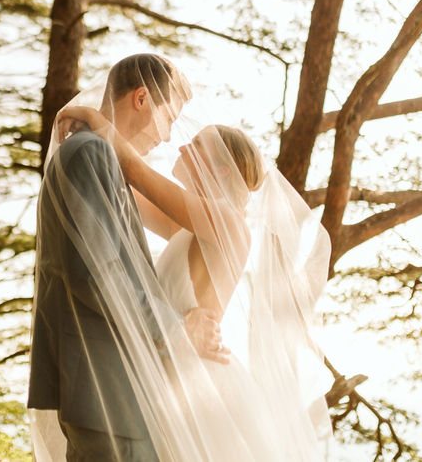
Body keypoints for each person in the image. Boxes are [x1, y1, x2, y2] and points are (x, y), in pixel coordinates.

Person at [53, 104, 333, 460]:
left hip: (196, 382)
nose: (182, 146)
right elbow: (123, 190)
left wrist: (92, 117)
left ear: (221, 168)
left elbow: (136, 172)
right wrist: (84, 146)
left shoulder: (229, 224)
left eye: (196, 145)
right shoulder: (186, 226)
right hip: (165, 364)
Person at [27, 53, 229, 462]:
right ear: (141, 99)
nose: (170, 137)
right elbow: (95, 276)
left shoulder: (101, 159)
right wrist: (177, 329)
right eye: (169, 117)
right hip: (109, 388)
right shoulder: (89, 155)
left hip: (115, 390)